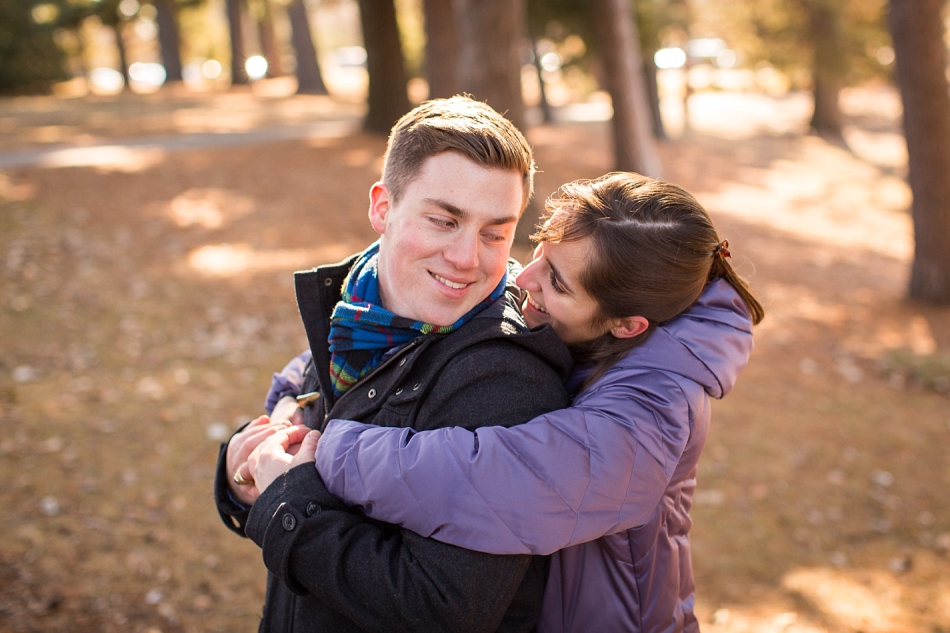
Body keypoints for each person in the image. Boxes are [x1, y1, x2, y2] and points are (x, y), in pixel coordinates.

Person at [258, 172, 765, 632]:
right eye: (541, 251)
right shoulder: (580, 326)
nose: (524, 278)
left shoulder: (652, 411)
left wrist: (327, 451)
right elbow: (385, 350)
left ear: (627, 325)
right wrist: (288, 403)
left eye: (558, 283)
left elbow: (494, 479)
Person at [214, 96, 573, 632]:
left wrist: (287, 498)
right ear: (382, 207)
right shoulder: (356, 313)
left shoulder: (505, 380)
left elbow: (443, 608)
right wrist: (242, 479)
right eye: (443, 220)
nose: (466, 258)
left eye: (495, 232)